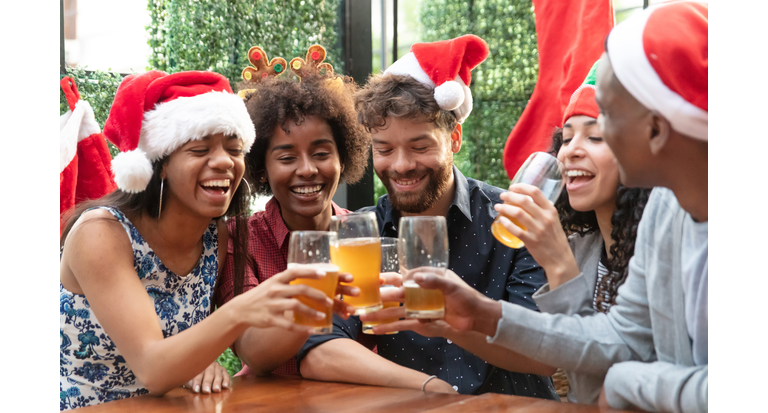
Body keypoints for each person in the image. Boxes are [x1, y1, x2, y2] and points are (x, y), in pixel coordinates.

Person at [396, 1, 708, 412]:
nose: (569, 150)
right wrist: (481, 315)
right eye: (568, 134)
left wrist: (629, 382)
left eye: (605, 121)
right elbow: (623, 335)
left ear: (655, 128)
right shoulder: (665, 209)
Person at [297, 34, 560, 399]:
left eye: (420, 146)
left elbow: (545, 353)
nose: (402, 165)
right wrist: (427, 387)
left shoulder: (512, 217)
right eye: (384, 149)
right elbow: (317, 350)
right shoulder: (360, 231)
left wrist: (448, 323)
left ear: (454, 139)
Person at [60, 71, 338, 410]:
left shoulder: (214, 236)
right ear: (160, 165)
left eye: (234, 149)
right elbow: (152, 367)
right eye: (200, 149)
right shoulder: (101, 233)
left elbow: (190, 353)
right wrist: (241, 310)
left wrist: (195, 362)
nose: (224, 161)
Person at [488, 60, 651, 404]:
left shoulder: (658, 252)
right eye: (565, 137)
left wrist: (559, 264)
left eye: (594, 136)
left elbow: (599, 388)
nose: (570, 151)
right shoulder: (583, 246)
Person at [213, 54, 373, 377]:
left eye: (321, 153)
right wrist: (322, 293)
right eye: (287, 157)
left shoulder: (364, 234)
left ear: (343, 157)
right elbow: (252, 349)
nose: (307, 169)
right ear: (261, 169)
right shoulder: (240, 240)